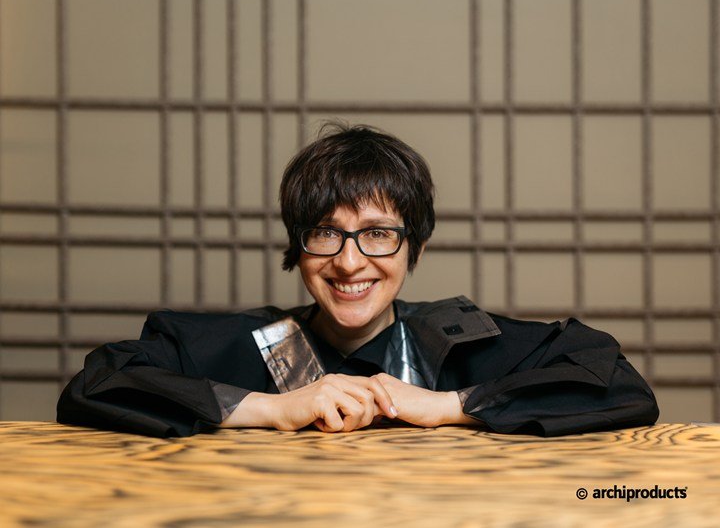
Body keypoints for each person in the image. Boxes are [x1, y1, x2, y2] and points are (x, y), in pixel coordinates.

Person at [57, 123, 659, 438]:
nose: (349, 263)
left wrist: (452, 405)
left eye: (378, 234)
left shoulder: (467, 342)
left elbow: (619, 385)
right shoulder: (233, 345)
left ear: (415, 246)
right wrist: (269, 409)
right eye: (325, 233)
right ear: (298, 244)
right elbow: (96, 384)